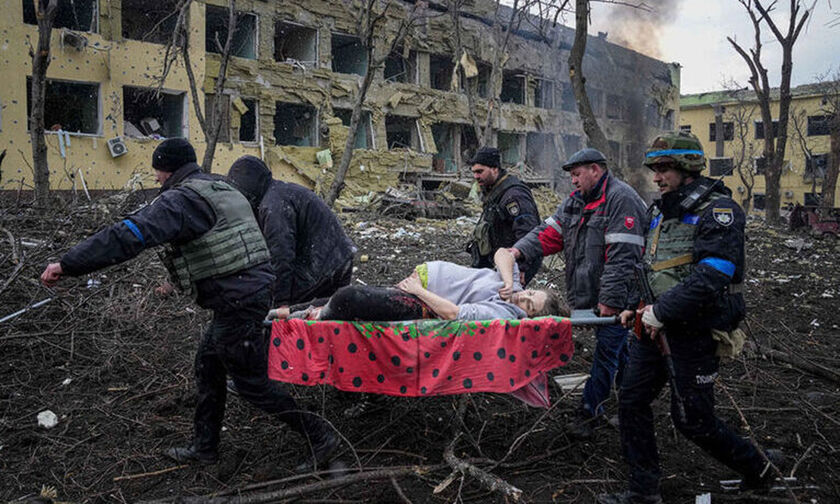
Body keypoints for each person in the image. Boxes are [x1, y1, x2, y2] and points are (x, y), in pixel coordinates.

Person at [39, 138, 337, 470]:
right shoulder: (218, 186)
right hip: (248, 292)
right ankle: (204, 448)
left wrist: (68, 264)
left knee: (251, 384)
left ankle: (321, 435)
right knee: (208, 364)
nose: (155, 179)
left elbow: (128, 236)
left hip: (238, 298)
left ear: (168, 170)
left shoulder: (180, 201)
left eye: (157, 172)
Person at [598, 132, 783, 504]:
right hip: (653, 330)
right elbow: (651, 268)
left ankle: (759, 468)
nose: (657, 177)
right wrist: (635, 307)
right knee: (631, 402)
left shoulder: (719, 211)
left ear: (687, 168)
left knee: (693, 420)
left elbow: (713, 275)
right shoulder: (660, 212)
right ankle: (643, 491)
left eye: (664, 169)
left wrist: (661, 312)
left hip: (693, 331)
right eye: (656, 169)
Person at [510, 147, 647, 439]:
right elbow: (548, 234)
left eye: (577, 174)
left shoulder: (621, 200)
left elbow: (624, 258)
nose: (572, 181)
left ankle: (589, 411)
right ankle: (632, 402)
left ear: (595, 170)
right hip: (593, 294)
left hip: (620, 296)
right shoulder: (575, 202)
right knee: (618, 349)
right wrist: (518, 250)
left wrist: (609, 302)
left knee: (607, 352)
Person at [275, 249, 564, 322]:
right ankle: (282, 311)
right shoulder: (510, 287)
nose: (521, 298)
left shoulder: (502, 315)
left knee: (346, 298)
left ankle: (302, 317)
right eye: (529, 293)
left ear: (529, 318)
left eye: (528, 305)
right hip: (419, 284)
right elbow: (503, 253)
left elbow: (453, 313)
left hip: (423, 301)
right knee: (342, 298)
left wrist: (418, 290)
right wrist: (511, 280)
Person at [226, 155, 357, 306]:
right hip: (337, 258)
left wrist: (281, 303)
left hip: (324, 264)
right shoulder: (279, 193)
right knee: (323, 317)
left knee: (279, 309)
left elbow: (281, 255)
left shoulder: (273, 205)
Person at [467, 146, 542, 286]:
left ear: (495, 169)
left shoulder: (514, 195)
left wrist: (521, 266)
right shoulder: (494, 191)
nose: (476, 176)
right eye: (474, 172)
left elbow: (528, 231)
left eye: (480, 171)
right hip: (500, 260)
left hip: (515, 262)